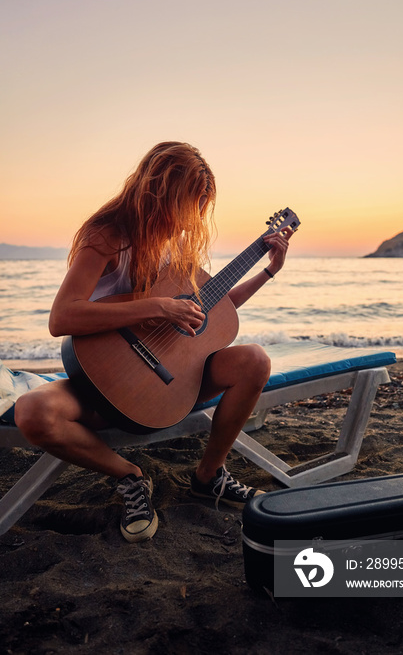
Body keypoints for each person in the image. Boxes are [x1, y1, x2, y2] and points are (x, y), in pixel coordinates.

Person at [14, 141, 293, 543]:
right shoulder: (107, 237)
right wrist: (156, 307)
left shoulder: (174, 247)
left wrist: (269, 272)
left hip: (165, 383)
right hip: (102, 384)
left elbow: (214, 306)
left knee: (254, 360)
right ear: (162, 192)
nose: (195, 217)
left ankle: (209, 474)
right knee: (32, 412)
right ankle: (129, 476)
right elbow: (63, 317)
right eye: (191, 203)